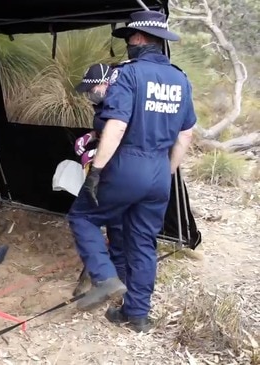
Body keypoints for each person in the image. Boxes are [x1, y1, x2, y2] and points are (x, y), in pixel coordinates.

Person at [66, 10, 196, 332]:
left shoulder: (129, 74)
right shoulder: (180, 79)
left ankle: (105, 278)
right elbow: (186, 134)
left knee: (82, 216)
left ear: (138, 38)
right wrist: (166, 171)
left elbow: (118, 124)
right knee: (142, 243)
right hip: (158, 171)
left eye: (129, 39)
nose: (128, 44)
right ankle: (137, 314)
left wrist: (96, 170)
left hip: (126, 164)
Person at [72, 63, 126, 296]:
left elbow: (120, 131)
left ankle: (104, 279)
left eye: (91, 88)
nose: (89, 94)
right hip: (118, 171)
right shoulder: (104, 104)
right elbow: (107, 129)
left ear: (106, 82)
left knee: (82, 217)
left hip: (113, 171)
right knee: (116, 226)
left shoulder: (121, 100)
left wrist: (96, 158)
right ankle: (116, 283)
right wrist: (93, 136)